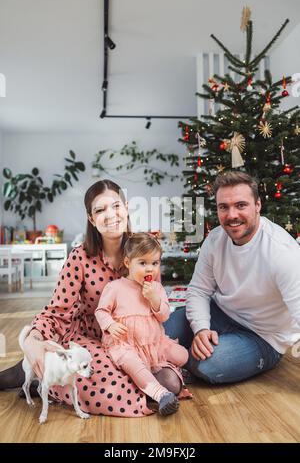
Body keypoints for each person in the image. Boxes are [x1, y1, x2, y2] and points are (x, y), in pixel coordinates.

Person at [0, 180, 182, 417]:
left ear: (126, 208)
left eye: (116, 206)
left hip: (137, 340)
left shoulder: (143, 251)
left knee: (170, 383)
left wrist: (155, 300)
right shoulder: (80, 257)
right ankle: (44, 378)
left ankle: (45, 377)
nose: (111, 215)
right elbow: (56, 310)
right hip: (91, 338)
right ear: (91, 218)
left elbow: (160, 307)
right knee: (114, 388)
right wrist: (33, 339)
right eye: (100, 210)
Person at [164, 171, 300, 384]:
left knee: (210, 364)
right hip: (220, 313)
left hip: (262, 336)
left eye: (241, 205)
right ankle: (166, 361)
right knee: (161, 331)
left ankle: (165, 363)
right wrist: (201, 328)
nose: (232, 215)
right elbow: (199, 290)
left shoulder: (282, 253)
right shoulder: (215, 239)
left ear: (257, 205)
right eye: (223, 207)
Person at [95, 233, 189, 416]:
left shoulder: (157, 288)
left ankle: (180, 372)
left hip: (153, 342)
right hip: (125, 343)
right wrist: (110, 325)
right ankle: (161, 395)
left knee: (182, 354)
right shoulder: (115, 288)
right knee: (132, 362)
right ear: (128, 263)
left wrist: (154, 299)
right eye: (143, 263)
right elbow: (101, 311)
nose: (150, 269)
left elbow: (163, 317)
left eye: (155, 263)